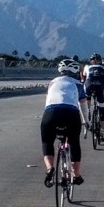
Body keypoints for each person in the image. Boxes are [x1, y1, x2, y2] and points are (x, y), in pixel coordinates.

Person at [41, 58, 87, 187]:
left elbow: (48, 101)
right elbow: (83, 105)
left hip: (50, 113)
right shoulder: (78, 84)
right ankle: (76, 175)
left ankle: (50, 168)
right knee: (74, 143)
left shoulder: (52, 82)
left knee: (47, 142)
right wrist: (85, 122)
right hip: (70, 113)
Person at [81, 53, 104, 141]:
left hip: (89, 85)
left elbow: (83, 79)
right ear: (100, 60)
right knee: (102, 109)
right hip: (100, 87)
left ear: (91, 61)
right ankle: (102, 132)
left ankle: (88, 111)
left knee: (87, 99)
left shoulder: (87, 67)